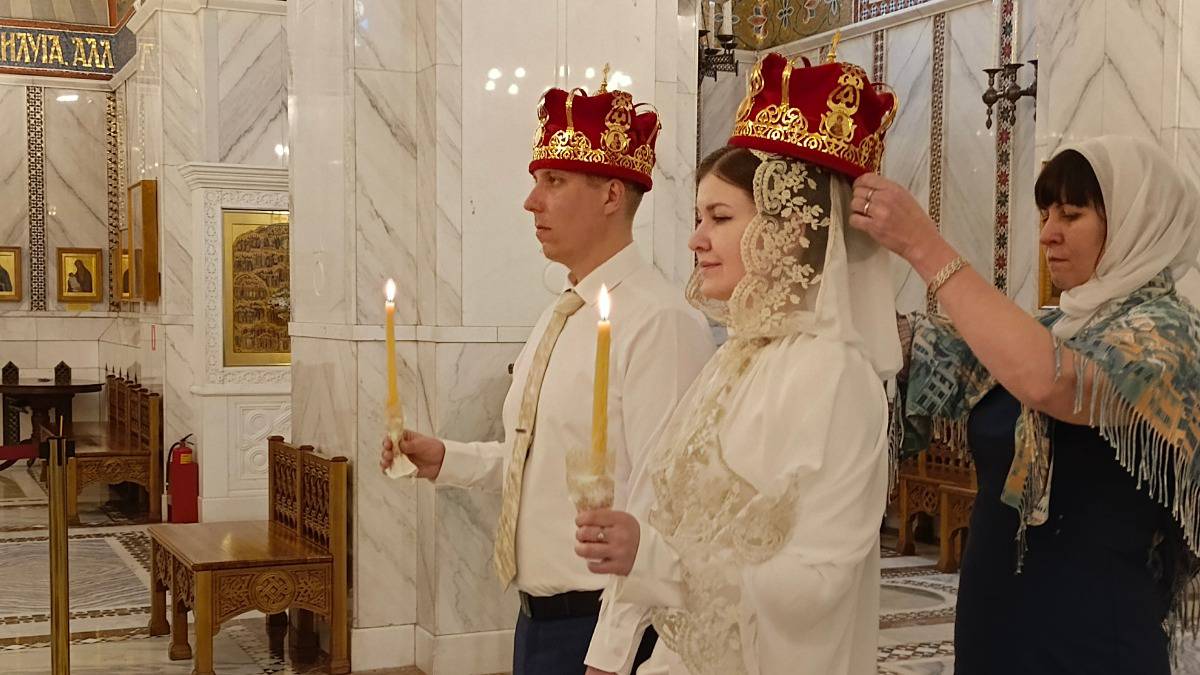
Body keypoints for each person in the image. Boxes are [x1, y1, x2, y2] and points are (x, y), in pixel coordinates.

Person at [572, 52, 902, 674]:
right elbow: (669, 512)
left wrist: (658, 561)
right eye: (698, 218)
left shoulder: (834, 374)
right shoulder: (735, 358)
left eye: (720, 218)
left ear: (788, 231)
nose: (696, 239)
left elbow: (818, 582)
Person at [380, 75, 715, 675]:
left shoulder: (660, 322)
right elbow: (538, 461)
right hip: (539, 621)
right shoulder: (562, 314)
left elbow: (662, 506)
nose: (531, 202)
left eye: (554, 181)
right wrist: (446, 459)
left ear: (611, 195)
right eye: (538, 181)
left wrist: (611, 654)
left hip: (604, 626)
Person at [850, 135, 1200, 674]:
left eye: (1071, 214)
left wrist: (924, 246)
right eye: (1045, 214)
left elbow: (1053, 382)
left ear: (1139, 222)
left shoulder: (1170, 338)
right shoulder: (1051, 329)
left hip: (1092, 633)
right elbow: (912, 348)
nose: (1048, 234)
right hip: (996, 619)